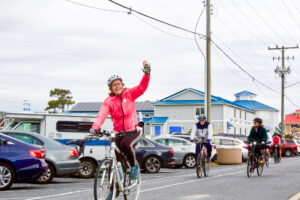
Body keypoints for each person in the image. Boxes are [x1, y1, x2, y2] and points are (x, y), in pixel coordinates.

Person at [90, 61, 150, 200]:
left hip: (133, 130)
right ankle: (114, 189)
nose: (117, 86)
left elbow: (142, 87)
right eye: (113, 85)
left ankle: (134, 167)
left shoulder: (130, 94)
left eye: (118, 84)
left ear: (122, 85)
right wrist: (95, 127)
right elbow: (102, 115)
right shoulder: (109, 101)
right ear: (111, 87)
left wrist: (147, 74)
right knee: (115, 162)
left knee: (126, 145)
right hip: (118, 133)